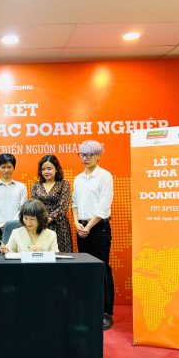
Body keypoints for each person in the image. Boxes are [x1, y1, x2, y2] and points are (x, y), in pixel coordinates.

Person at [72, 140, 114, 331]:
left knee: (102, 269)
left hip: (98, 228)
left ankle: (105, 312)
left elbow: (103, 206)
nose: (84, 158)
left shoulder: (105, 176)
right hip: (81, 228)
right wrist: (76, 223)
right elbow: (75, 204)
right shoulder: (78, 178)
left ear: (98, 156)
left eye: (88, 155)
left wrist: (88, 226)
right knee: (86, 269)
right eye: (82, 154)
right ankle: (89, 308)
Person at [31, 155, 73, 252]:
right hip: (41, 225)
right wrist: (41, 221)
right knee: (40, 253)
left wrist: (48, 219)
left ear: (56, 169)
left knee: (61, 254)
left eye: (49, 169)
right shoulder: (36, 186)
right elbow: (33, 206)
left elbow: (63, 206)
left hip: (60, 225)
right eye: (43, 169)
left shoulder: (64, 184)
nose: (46, 172)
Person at [0, 153, 27, 252]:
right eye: (3, 167)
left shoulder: (21, 187)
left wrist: (12, 225)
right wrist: (3, 225)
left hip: (18, 228)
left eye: (9, 167)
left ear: (14, 168)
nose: (6, 170)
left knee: (17, 256)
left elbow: (22, 209)